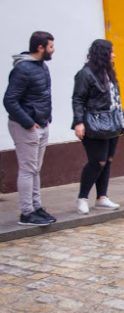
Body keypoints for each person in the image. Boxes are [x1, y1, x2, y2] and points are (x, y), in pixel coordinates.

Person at [3, 31, 56, 226]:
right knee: (27, 169)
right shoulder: (22, 69)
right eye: (50, 46)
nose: (53, 50)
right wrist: (28, 122)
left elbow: (44, 95)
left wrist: (47, 118)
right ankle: (26, 212)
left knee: (36, 169)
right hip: (25, 126)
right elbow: (9, 100)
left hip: (41, 124)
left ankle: (36, 207)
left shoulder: (41, 66)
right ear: (40, 47)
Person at [71, 39, 124, 214]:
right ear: (103, 54)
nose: (114, 55)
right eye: (111, 52)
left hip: (112, 122)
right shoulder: (85, 74)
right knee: (98, 161)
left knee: (108, 161)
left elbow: (114, 97)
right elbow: (78, 99)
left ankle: (102, 197)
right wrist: (79, 122)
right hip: (95, 124)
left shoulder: (108, 73)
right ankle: (82, 197)